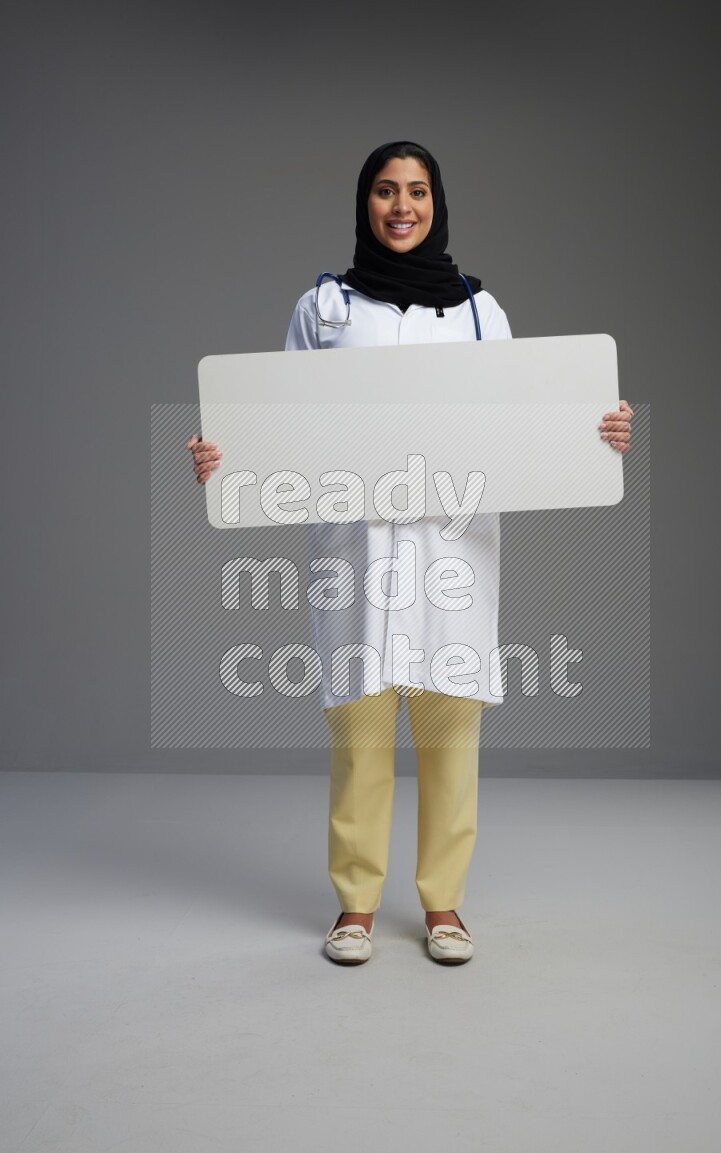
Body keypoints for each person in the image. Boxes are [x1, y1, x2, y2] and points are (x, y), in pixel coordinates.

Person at [187, 140, 633, 966]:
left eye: (417, 191)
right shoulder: (323, 311)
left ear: (437, 203)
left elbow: (527, 416)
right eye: (387, 191)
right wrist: (223, 456)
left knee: (448, 728)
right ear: (365, 203)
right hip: (354, 555)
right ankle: (354, 906)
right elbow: (275, 422)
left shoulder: (476, 312)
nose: (402, 206)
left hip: (450, 548)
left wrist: (595, 431)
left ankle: (443, 905)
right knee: (358, 729)